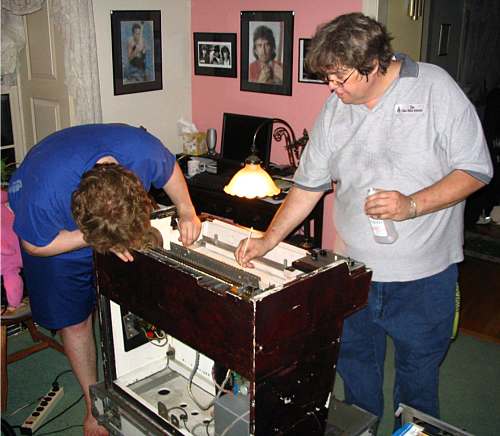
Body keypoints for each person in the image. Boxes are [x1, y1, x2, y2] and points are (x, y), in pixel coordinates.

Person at [234, 12, 493, 427]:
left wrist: (412, 205)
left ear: (373, 65)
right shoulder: (336, 109)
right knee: (355, 375)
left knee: (417, 383)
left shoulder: (434, 89)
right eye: (327, 80)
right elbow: (308, 187)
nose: (331, 89)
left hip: (425, 277)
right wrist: (268, 239)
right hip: (354, 273)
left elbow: (476, 170)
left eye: (339, 79)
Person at [8, 123, 201, 436]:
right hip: (58, 240)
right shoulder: (42, 196)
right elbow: (35, 244)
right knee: (75, 321)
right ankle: (92, 405)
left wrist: (187, 209)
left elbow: (168, 170)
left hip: (92, 217)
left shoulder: (143, 153)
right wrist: (89, 239)